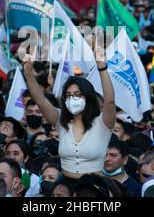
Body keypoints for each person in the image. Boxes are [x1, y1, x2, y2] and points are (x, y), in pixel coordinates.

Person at [23, 46, 116, 189]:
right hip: (65, 186)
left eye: (77, 94)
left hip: (93, 188)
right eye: (68, 95)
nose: (72, 99)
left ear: (88, 97)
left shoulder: (102, 123)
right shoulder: (61, 120)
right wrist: (28, 72)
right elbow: (40, 100)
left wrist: (102, 67)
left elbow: (109, 101)